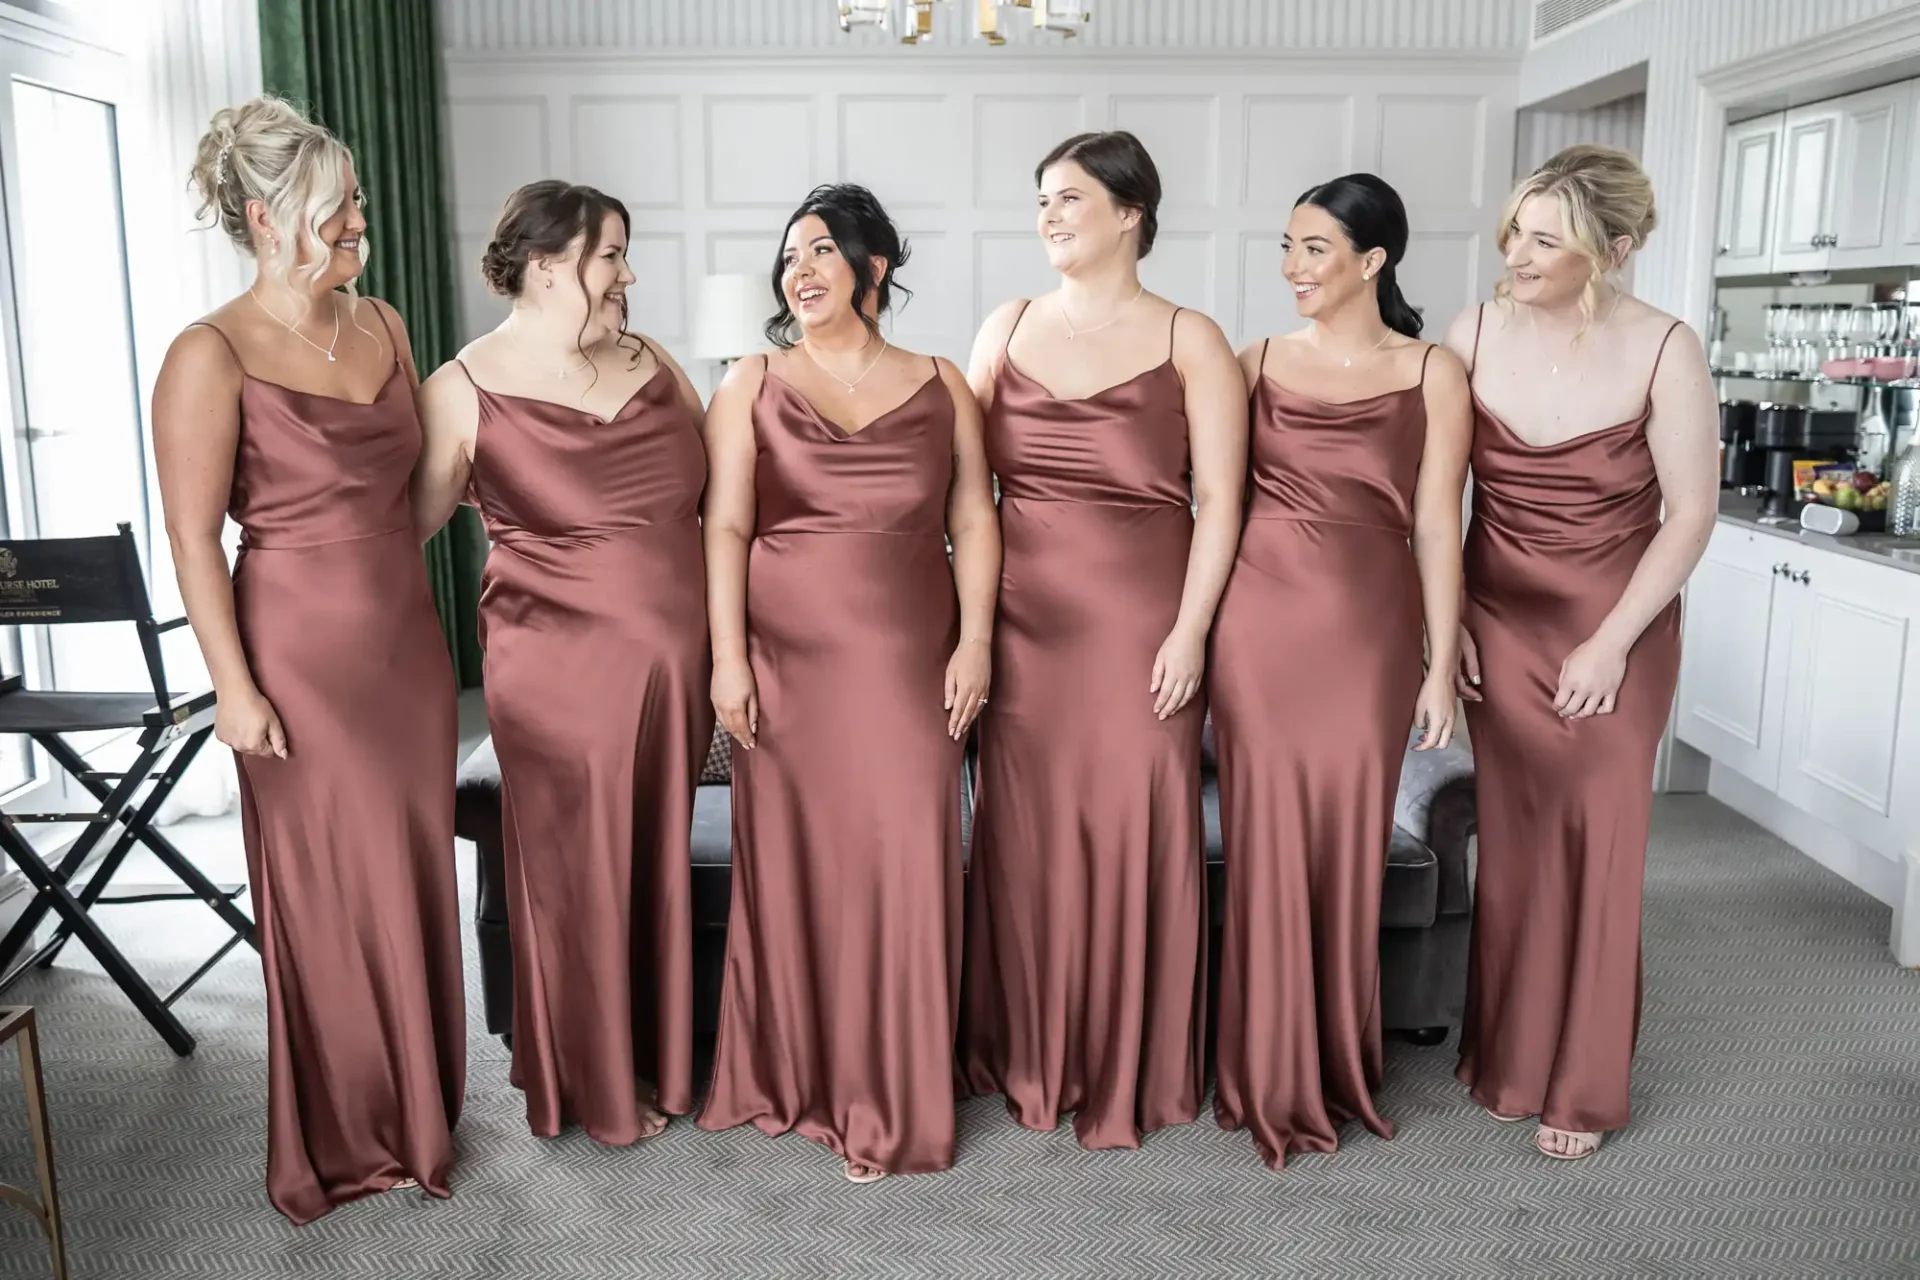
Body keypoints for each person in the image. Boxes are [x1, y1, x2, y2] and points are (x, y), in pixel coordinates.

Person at [151, 96, 462, 1223]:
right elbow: (194, 535)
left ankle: (422, 1112)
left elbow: (416, 494)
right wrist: (234, 687)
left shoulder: (379, 321)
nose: (357, 227)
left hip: (405, 642)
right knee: (330, 888)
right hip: (294, 651)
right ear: (262, 215)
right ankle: (344, 1135)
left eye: (357, 206)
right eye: (335, 211)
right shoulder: (210, 351)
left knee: (413, 871)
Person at [696, 183, 1001, 1183]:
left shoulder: (943, 382)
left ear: (871, 267)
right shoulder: (751, 379)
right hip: (788, 668)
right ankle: (798, 1072)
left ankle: (891, 1089)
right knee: (797, 867)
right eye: (789, 255)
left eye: (821, 249)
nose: (800, 269)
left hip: (914, 664)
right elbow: (729, 527)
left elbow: (977, 520)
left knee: (907, 863)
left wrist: (978, 641)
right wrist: (729, 657)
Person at [959, 131, 1247, 1150]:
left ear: (1131, 212)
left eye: (1070, 198)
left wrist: (1191, 632)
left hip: (1142, 636)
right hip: (1025, 632)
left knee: (1135, 833)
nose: (1048, 215)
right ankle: (1032, 1048)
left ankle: (1131, 1059)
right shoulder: (1006, 326)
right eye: (1041, 198)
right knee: (1025, 841)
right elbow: (964, 492)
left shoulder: (1192, 339)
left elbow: (1222, 502)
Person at [410, 180, 713, 1145]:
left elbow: (718, 496)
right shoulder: (462, 387)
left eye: (624, 253)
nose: (629, 273)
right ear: (545, 267)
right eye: (610, 256)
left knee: (655, 860)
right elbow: (405, 529)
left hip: (675, 670)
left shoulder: (655, 360)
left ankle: (661, 1058)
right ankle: (589, 1078)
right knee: (574, 870)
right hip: (555, 671)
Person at [1441, 144, 1717, 1161]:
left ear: (1617, 249)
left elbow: (1690, 515)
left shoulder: (1665, 348)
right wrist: (1453, 617)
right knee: (1514, 841)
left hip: (1621, 623)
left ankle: (1586, 1082)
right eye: (1515, 230)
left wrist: (1611, 642)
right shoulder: (1471, 329)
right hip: (1498, 617)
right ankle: (1511, 1056)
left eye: (1545, 239)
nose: (1516, 252)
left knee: (1602, 843)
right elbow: (1435, 498)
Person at [1209, 174, 1471, 1169]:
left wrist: (1441, 661)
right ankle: (1261, 1067)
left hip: (1367, 634)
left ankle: (1329, 1059)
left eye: (1314, 247)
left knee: (1346, 848)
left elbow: (1441, 525)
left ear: (1373, 260)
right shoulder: (1253, 360)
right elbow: (1207, 501)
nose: (1291, 267)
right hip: (1258, 628)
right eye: (1287, 246)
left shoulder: (1432, 370)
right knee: (1268, 842)